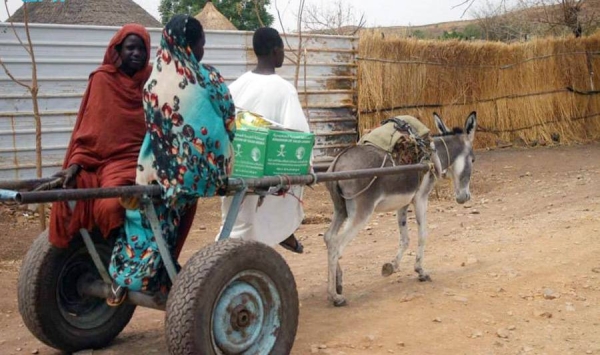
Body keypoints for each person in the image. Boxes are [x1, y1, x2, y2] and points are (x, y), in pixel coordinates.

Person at [107, 15, 236, 305]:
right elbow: (230, 121)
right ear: (190, 47)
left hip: (158, 169)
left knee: (148, 220)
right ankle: (160, 276)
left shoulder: (151, 82)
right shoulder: (208, 77)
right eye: (201, 45)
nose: (203, 51)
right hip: (206, 173)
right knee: (172, 211)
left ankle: (129, 275)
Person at [48, 24, 163, 248]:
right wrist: (75, 164)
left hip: (138, 160)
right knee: (70, 193)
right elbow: (88, 130)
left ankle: (120, 252)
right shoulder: (102, 79)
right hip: (98, 161)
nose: (136, 53)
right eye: (130, 48)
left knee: (110, 206)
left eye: (141, 49)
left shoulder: (152, 80)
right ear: (117, 50)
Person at [220, 27, 310, 253]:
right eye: (282, 49)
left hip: (235, 165)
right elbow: (297, 133)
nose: (283, 54)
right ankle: (282, 232)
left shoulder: (237, 84)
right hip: (265, 170)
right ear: (275, 50)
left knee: (237, 219)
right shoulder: (284, 89)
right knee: (293, 182)